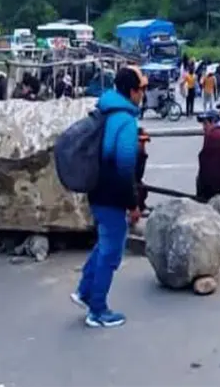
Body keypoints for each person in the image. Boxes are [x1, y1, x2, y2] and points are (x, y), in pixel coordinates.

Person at [71, 66, 145, 328]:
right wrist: (133, 203)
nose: (143, 94)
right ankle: (98, 310)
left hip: (97, 187)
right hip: (112, 192)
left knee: (105, 243)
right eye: (142, 89)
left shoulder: (106, 110)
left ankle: (84, 291)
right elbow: (125, 166)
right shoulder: (125, 119)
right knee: (111, 251)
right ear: (132, 91)